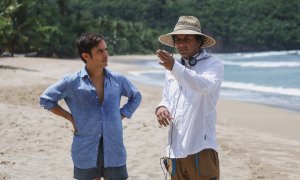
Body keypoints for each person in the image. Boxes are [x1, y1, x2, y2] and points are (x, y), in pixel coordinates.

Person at [40, 33, 142, 180]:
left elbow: (136, 96)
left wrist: (121, 115)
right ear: (86, 56)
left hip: (114, 147)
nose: (106, 55)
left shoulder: (118, 79)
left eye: (106, 50)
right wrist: (71, 118)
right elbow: (46, 99)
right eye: (100, 51)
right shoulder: (72, 82)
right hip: (85, 147)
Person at [155, 16, 224, 180]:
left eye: (187, 39)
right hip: (174, 149)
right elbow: (166, 97)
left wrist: (174, 67)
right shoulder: (172, 68)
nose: (181, 44)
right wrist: (161, 108)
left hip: (201, 147)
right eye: (177, 40)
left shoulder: (213, 65)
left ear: (199, 41)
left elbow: (202, 85)